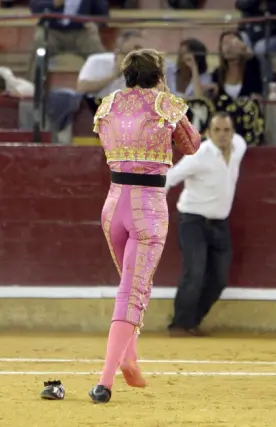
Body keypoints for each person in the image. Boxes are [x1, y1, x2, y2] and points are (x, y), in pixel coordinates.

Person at [89, 48, 201, 403]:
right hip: (147, 209)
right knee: (133, 290)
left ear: (127, 75)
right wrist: (166, 99)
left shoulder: (107, 105)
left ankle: (131, 359)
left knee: (131, 284)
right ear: (159, 75)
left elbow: (108, 142)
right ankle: (106, 380)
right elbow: (192, 145)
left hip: (113, 206)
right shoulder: (166, 104)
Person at [166, 112, 247, 337]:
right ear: (208, 133)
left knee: (219, 280)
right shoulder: (198, 155)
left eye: (227, 130)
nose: (222, 135)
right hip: (193, 222)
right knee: (194, 273)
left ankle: (192, 321)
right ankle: (179, 325)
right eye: (217, 130)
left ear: (233, 132)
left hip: (220, 224)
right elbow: (170, 178)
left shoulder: (239, 146)